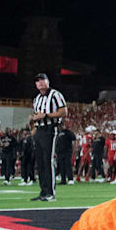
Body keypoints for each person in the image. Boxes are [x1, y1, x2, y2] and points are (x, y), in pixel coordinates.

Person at [30, 73, 67, 202]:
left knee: (48, 160)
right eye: (37, 81)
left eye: (42, 80)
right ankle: (43, 191)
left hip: (50, 129)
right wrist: (34, 124)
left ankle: (50, 193)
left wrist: (46, 115)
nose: (40, 83)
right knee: (40, 162)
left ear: (48, 81)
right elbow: (36, 114)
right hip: (39, 130)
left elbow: (63, 112)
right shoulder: (37, 98)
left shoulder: (55, 94)